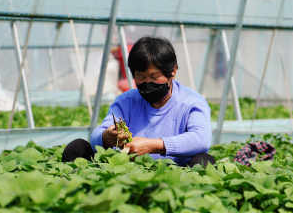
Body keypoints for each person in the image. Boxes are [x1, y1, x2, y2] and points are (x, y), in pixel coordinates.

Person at [62, 36, 215, 167]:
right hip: (128, 171)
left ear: (172, 71)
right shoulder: (126, 101)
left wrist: (152, 146)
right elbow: (97, 134)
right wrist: (106, 136)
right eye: (141, 77)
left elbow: (201, 139)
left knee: (204, 162)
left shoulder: (191, 102)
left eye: (154, 77)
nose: (148, 83)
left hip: (175, 174)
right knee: (76, 147)